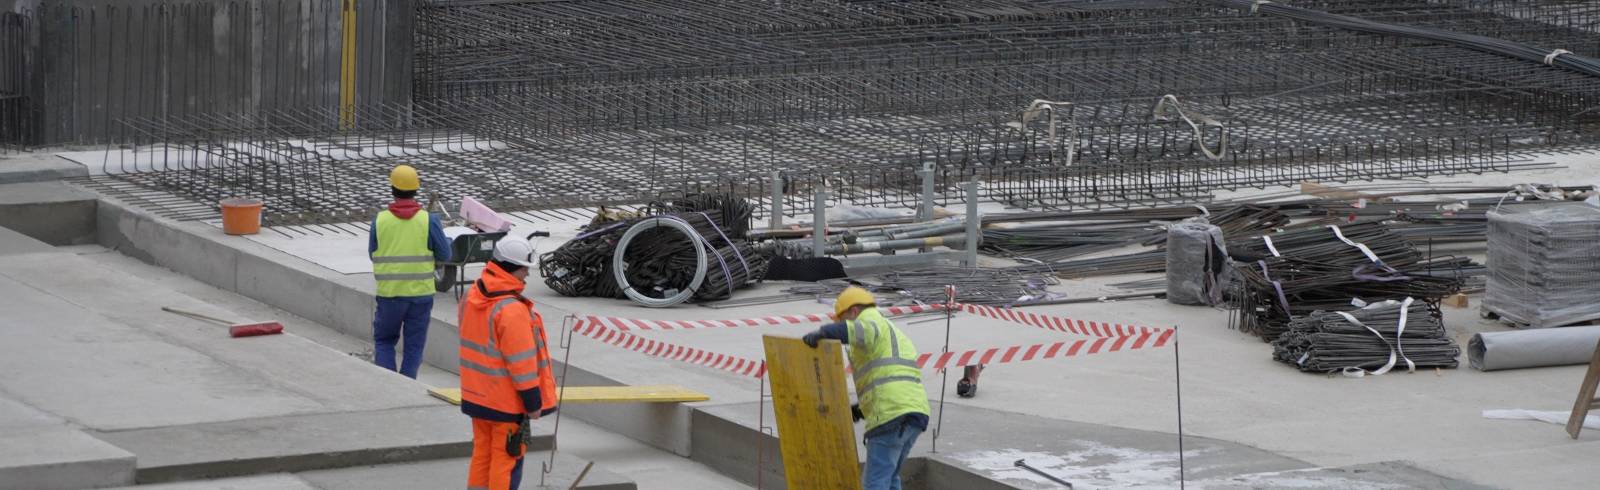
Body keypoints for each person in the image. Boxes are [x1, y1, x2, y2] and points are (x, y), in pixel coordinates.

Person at [801, 287, 931, 490]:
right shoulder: (889, 331)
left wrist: (823, 333)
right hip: (913, 414)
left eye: (843, 319)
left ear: (854, 311)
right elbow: (889, 379)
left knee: (875, 483)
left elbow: (855, 331)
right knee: (890, 478)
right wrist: (861, 409)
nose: (843, 324)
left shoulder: (870, 322)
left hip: (890, 415)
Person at [458, 236, 558, 490]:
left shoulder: (472, 296)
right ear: (512, 267)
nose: (526, 274)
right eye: (524, 268)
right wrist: (533, 403)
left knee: (482, 456)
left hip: (476, 397)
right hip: (505, 404)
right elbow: (521, 366)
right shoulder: (511, 310)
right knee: (506, 461)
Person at [367, 164, 452, 378]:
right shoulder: (429, 220)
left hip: (390, 295)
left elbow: (372, 253)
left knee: (384, 341)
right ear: (416, 189)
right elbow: (445, 255)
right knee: (414, 347)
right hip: (421, 295)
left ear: (392, 189)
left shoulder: (380, 220)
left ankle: (390, 386)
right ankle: (408, 385)